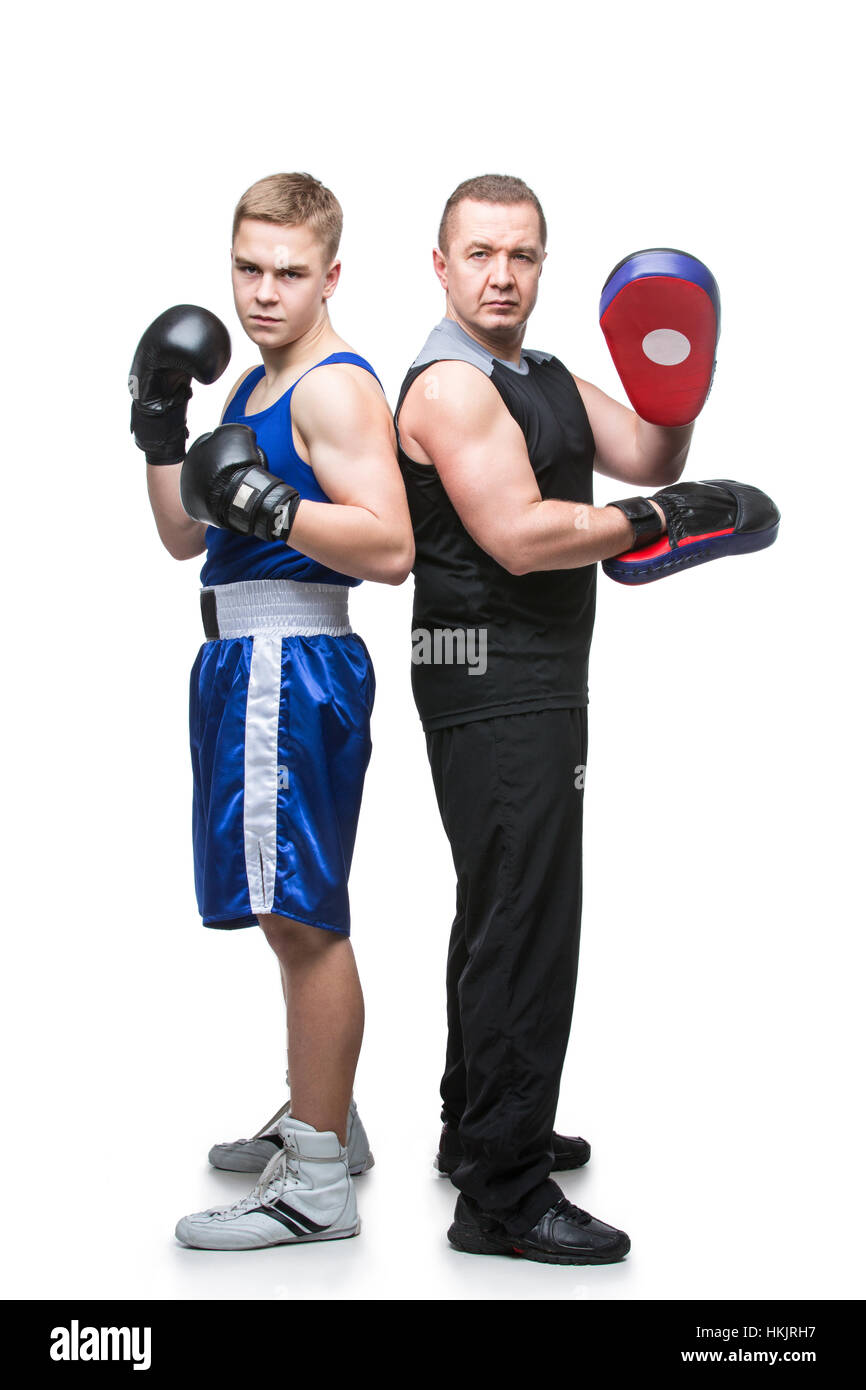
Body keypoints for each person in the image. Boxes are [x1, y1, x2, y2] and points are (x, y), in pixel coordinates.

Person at [395, 174, 776, 1265]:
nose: (500, 274)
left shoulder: (542, 375)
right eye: (477, 253)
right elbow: (517, 534)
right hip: (487, 672)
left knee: (498, 900)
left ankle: (479, 1124)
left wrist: (679, 371)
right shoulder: (452, 388)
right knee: (528, 916)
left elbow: (653, 454)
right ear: (440, 264)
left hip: (533, 672)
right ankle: (502, 1197)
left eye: (519, 254)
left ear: (540, 264)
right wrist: (657, 522)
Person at [130, 172, 414, 1250]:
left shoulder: (333, 389)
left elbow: (388, 548)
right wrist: (160, 425)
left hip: (290, 658)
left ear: (330, 274)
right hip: (243, 656)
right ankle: (325, 1110)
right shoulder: (253, 384)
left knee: (299, 914)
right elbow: (181, 538)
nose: (262, 292)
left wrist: (280, 506)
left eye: (289, 273)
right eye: (248, 268)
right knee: (278, 901)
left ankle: (316, 1183)